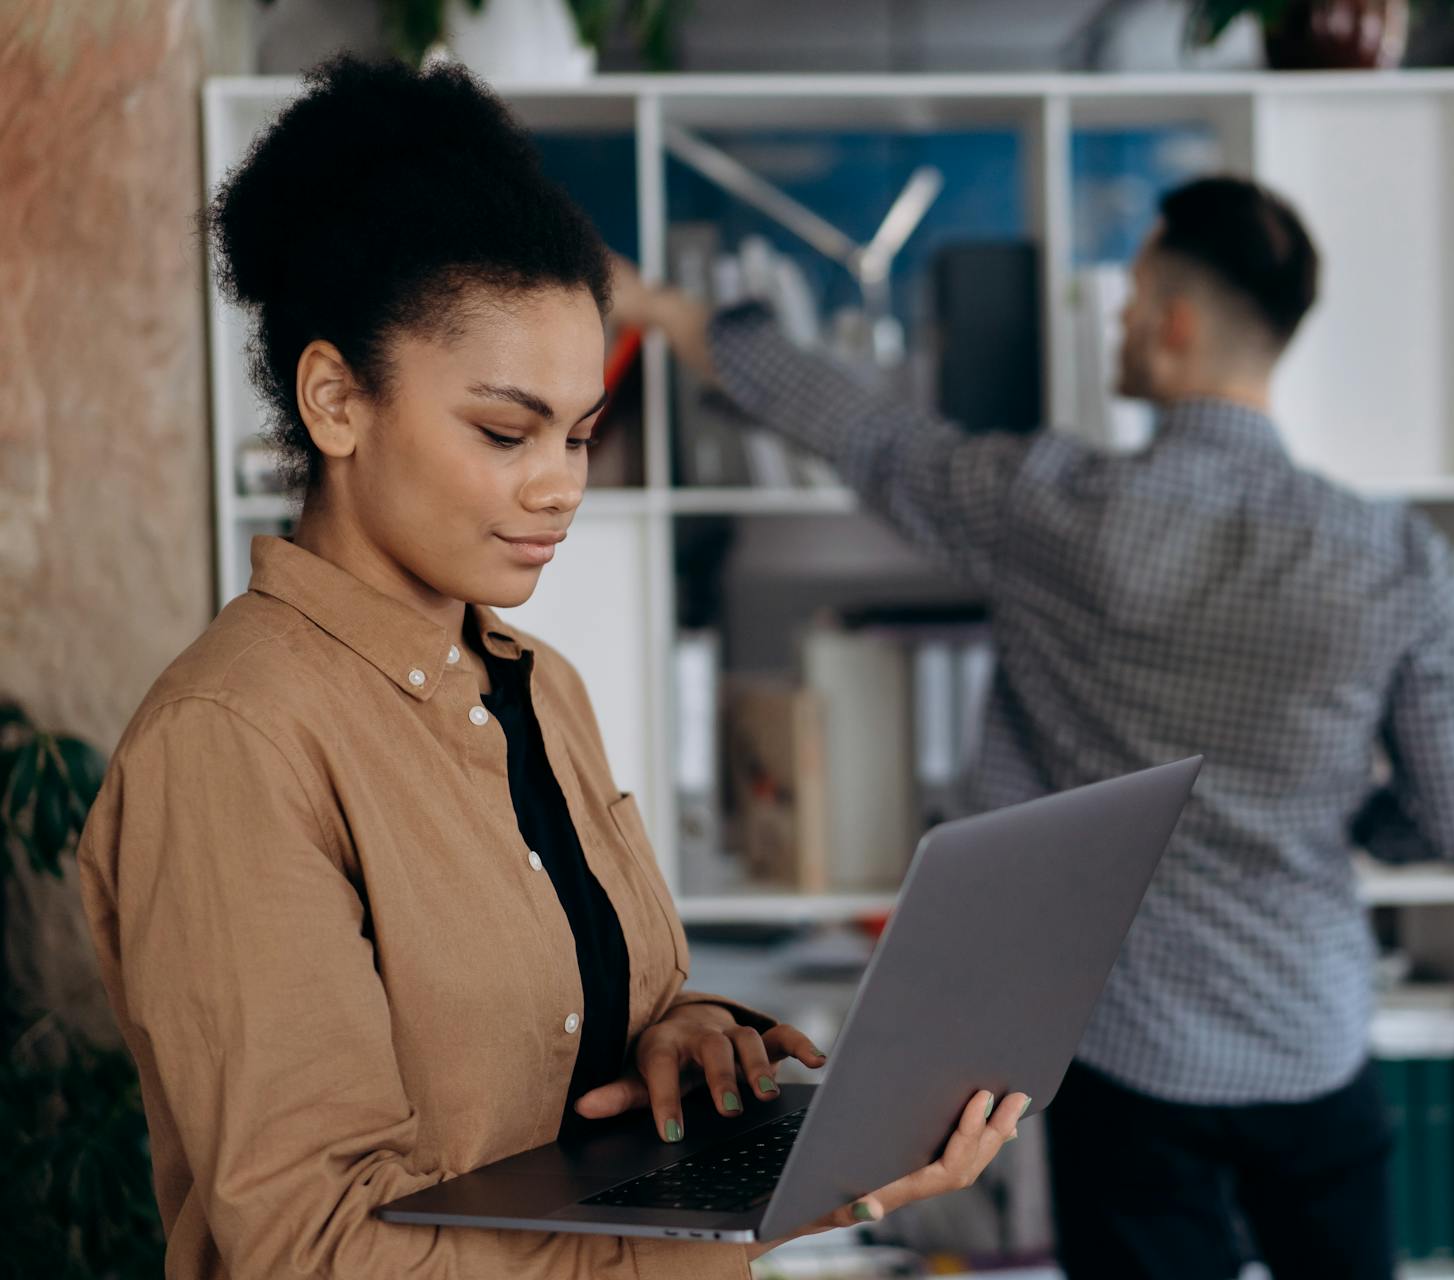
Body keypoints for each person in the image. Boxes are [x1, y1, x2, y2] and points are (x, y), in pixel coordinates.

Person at [76, 57, 1026, 1280]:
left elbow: (570, 1035)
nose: (561, 483)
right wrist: (725, 1222)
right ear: (333, 400)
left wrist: (682, 1039)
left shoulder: (538, 683)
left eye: (580, 433)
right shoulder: (235, 741)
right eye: (504, 431)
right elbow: (313, 1251)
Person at [619, 174, 1454, 1279]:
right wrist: (1357, 823)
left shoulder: (1054, 511)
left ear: (1176, 324)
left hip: (1136, 1051)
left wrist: (669, 311)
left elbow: (867, 433)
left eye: (1135, 300)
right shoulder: (1400, 558)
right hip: (1312, 1028)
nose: (1123, 324)